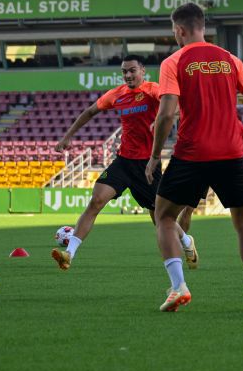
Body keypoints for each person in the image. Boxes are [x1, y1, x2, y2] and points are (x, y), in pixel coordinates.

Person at [145, 2, 243, 312]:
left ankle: (178, 286)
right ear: (202, 26)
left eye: (174, 32)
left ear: (180, 30)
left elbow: (167, 113)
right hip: (231, 153)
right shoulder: (230, 60)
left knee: (164, 217)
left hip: (192, 153)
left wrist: (155, 155)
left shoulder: (174, 61)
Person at [50, 55, 198, 270]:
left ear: (142, 71)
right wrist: (67, 136)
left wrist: (160, 118)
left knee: (160, 218)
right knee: (96, 201)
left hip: (148, 165)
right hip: (124, 161)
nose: (128, 75)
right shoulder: (117, 94)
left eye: (132, 70)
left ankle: (186, 241)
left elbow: (175, 105)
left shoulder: (153, 90)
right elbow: (90, 111)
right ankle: (69, 254)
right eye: (124, 71)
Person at [176, 120, 243, 259]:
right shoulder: (201, 120)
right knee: (188, 207)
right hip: (200, 165)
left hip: (225, 167)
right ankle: (180, 245)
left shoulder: (235, 124)